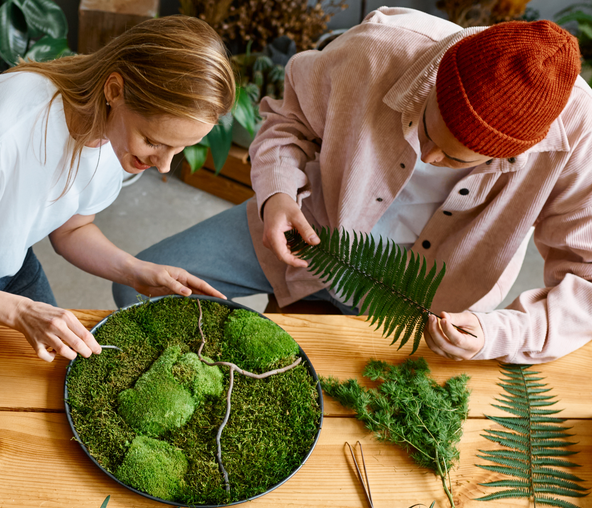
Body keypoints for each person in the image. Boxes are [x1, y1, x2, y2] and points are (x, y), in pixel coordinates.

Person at [113, 8, 592, 365]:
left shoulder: (578, 137)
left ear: (513, 153)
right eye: (427, 131)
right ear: (437, 77)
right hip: (308, 232)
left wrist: (496, 333)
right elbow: (288, 119)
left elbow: (584, 284)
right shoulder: (378, 50)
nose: (430, 158)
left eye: (456, 159)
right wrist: (278, 194)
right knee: (135, 289)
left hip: (423, 310)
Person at [0, 16, 234, 362]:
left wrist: (137, 272)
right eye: (153, 142)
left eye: (178, 150)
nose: (163, 165)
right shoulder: (1, 136)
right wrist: (20, 312)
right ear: (115, 90)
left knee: (62, 376)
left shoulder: (115, 134)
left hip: (6, 267)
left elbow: (72, 228)